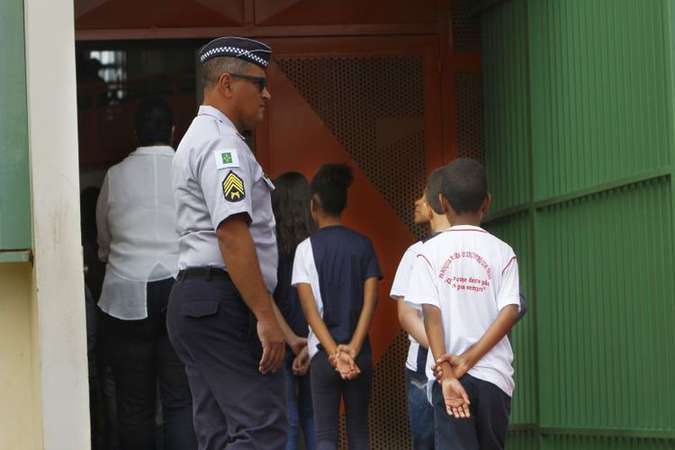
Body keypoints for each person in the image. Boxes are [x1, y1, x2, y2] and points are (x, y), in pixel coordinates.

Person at [167, 36, 288, 450]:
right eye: (259, 82)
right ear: (226, 83)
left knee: (219, 434)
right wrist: (265, 315)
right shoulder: (222, 146)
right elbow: (232, 234)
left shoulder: (197, 137)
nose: (267, 94)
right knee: (262, 429)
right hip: (223, 304)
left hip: (200, 301)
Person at [95, 97, 196, 450]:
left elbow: (104, 242)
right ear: (173, 131)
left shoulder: (114, 175)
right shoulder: (188, 171)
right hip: (179, 292)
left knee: (133, 405)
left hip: (125, 296)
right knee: (180, 401)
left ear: (135, 133)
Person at [407, 158, 521, 450]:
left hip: (449, 382)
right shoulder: (503, 252)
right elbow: (510, 310)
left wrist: (448, 373)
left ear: (442, 202)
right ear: (487, 203)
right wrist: (470, 359)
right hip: (494, 379)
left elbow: (431, 315)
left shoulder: (427, 253)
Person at [292, 164, 382, 450]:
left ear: (313, 204)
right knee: (358, 432)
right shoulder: (364, 245)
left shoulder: (304, 249)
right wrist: (352, 350)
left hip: (322, 356)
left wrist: (333, 354)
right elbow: (371, 302)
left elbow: (309, 311)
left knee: (326, 435)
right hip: (360, 355)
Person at [390, 167, 450, 450]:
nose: (416, 202)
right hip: (435, 361)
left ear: (441, 202)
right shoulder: (415, 252)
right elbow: (406, 315)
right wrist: (445, 353)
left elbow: (406, 314)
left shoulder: (416, 253)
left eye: (423, 197)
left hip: (454, 359)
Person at [271, 172, 317, 450]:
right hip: (314, 339)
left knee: (286, 419)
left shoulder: (268, 248)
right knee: (314, 417)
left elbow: (265, 299)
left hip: (278, 339)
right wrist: (311, 342)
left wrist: (291, 341)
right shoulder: (317, 247)